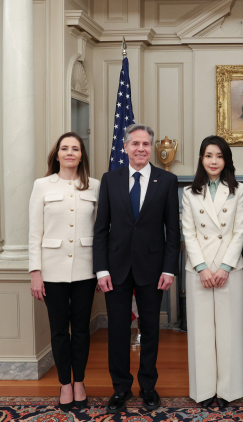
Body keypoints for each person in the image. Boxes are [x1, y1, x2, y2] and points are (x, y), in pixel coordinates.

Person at [93, 123, 180, 414]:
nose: (141, 148)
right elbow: (100, 229)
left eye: (146, 144)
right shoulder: (110, 179)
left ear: (151, 148)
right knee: (118, 331)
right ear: (126, 147)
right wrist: (101, 269)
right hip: (115, 269)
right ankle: (120, 388)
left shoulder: (166, 181)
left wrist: (169, 269)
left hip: (153, 269)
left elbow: (173, 231)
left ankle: (148, 386)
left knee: (150, 331)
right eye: (135, 143)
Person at [29, 132, 99, 412]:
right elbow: (35, 232)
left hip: (85, 269)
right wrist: (35, 271)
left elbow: (101, 231)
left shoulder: (94, 186)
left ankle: (79, 381)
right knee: (59, 331)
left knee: (81, 330)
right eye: (64, 148)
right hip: (52, 271)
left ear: (82, 155)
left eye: (75, 149)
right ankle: (64, 384)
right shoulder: (42, 185)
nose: (70, 153)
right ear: (56, 154)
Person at [181, 136, 243, 408]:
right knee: (201, 332)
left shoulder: (238, 190)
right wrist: (202, 268)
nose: (213, 161)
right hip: (198, 270)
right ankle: (204, 390)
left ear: (226, 160)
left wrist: (223, 267)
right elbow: (189, 232)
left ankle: (228, 391)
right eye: (209, 155)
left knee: (229, 331)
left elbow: (239, 231)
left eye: (219, 156)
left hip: (228, 269)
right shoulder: (189, 192)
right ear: (201, 158)